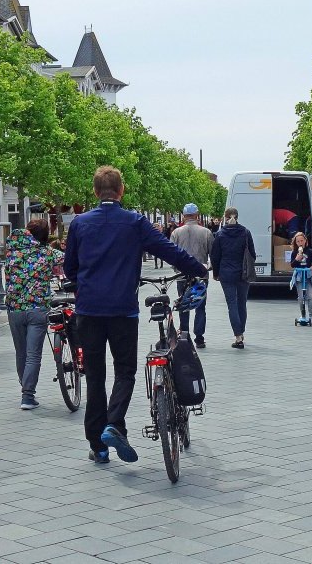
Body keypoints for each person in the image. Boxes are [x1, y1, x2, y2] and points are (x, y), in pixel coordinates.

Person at [64, 166, 208, 465]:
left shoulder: (80, 224)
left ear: (94, 191)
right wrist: (199, 270)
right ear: (122, 191)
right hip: (122, 310)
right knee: (125, 371)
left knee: (94, 377)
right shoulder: (134, 222)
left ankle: (99, 447)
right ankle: (114, 424)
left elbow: (70, 268)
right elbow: (170, 251)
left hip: (88, 310)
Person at [4, 220, 65, 410]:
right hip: (38, 308)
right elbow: (70, 260)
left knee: (20, 352)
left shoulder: (11, 251)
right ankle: (27, 396)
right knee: (33, 354)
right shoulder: (47, 252)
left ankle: (25, 387)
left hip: (14, 308)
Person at [210, 206, 255, 349]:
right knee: (242, 303)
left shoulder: (220, 235)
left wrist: (216, 273)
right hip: (243, 272)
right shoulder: (246, 233)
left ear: (225, 217)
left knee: (232, 304)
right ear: (237, 216)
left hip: (226, 273)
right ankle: (241, 332)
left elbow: (215, 256)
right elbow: (252, 254)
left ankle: (238, 336)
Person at [170, 203, 214, 349]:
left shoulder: (176, 232)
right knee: (200, 306)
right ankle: (199, 338)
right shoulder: (206, 232)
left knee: (183, 305)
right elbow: (212, 254)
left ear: (184, 216)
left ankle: (184, 335)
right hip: (200, 275)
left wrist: (176, 268)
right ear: (197, 215)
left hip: (182, 275)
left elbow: (170, 253)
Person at [289, 231, 312, 324]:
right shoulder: (294, 252)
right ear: (295, 243)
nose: (300, 243)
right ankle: (303, 314)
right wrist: (297, 259)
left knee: (309, 296)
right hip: (299, 276)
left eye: (302, 241)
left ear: (305, 241)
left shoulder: (309, 251)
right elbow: (292, 265)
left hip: (308, 275)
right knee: (301, 297)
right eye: (298, 241)